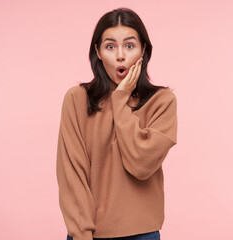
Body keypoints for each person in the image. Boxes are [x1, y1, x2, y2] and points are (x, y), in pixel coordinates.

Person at [56, 7, 177, 240]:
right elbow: (72, 175)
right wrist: (82, 235)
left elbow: (140, 164)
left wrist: (120, 98)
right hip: (87, 235)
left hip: (142, 235)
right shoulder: (77, 99)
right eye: (110, 46)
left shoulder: (162, 102)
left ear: (143, 50)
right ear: (98, 52)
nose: (120, 55)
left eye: (129, 46)